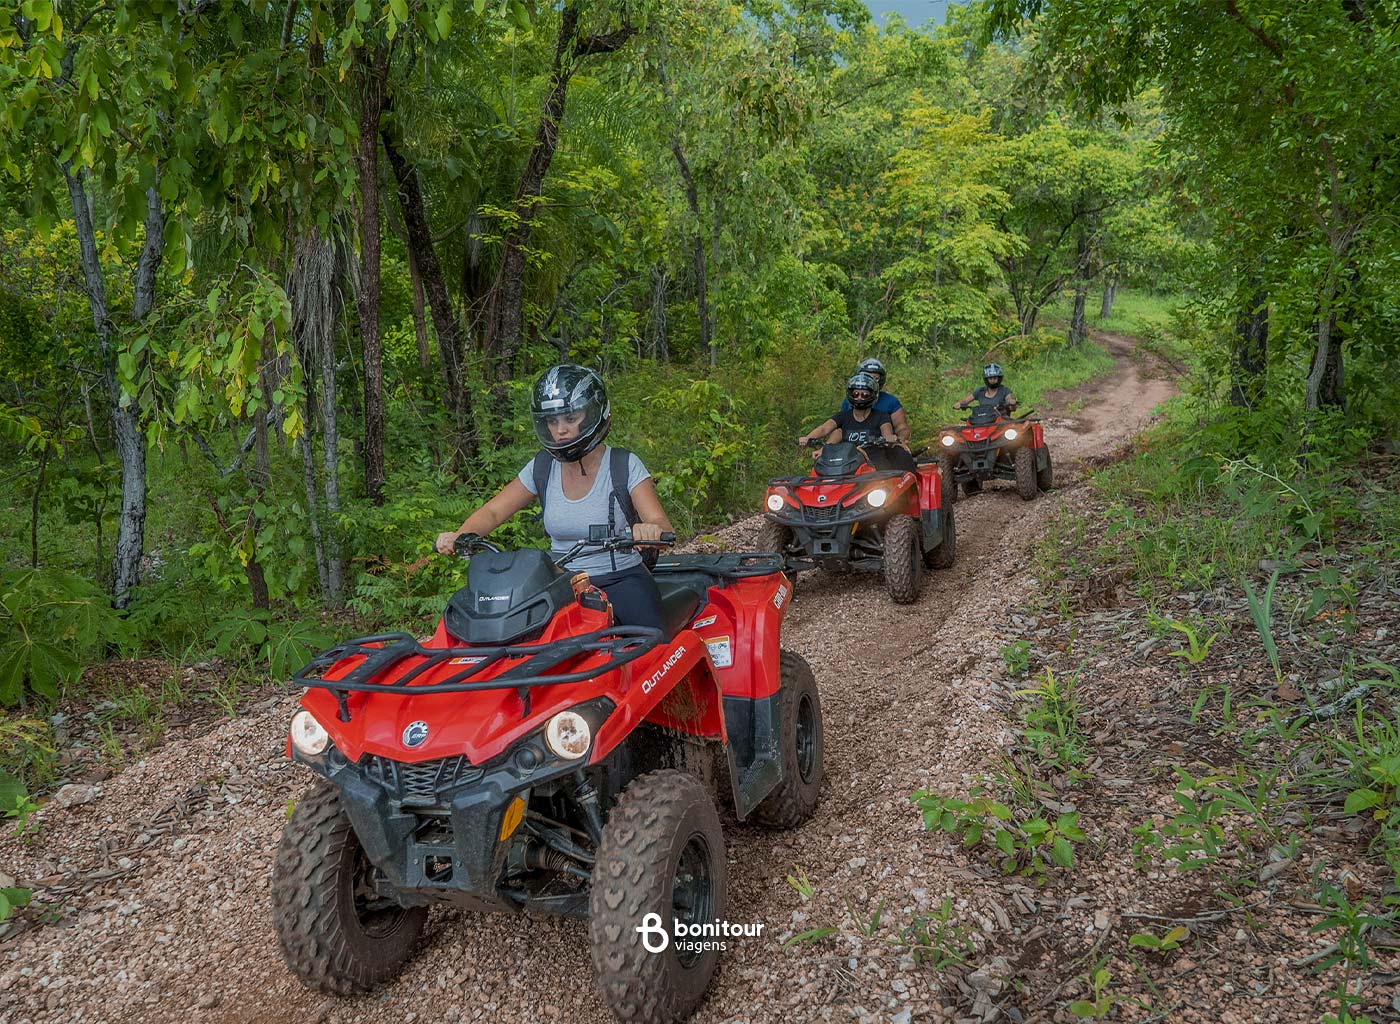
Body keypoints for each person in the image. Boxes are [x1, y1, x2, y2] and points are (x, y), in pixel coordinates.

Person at [434, 365, 673, 630]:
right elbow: (494, 512)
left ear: (594, 412)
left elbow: (659, 521)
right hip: (562, 585)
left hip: (620, 580)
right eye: (552, 421)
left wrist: (650, 529)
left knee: (652, 647)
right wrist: (462, 534)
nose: (560, 430)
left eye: (571, 418)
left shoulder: (623, 464)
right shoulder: (542, 467)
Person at [797, 372, 905, 465]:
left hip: (874, 465)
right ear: (850, 394)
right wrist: (808, 438)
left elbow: (887, 432)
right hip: (846, 464)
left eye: (865, 394)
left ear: (873, 395)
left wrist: (889, 438)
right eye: (856, 394)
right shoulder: (843, 416)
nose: (859, 397)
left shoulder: (881, 416)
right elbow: (824, 428)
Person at [840, 357, 911, 444]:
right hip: (850, 449)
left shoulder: (891, 402)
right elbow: (838, 428)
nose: (870, 380)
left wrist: (900, 442)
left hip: (881, 449)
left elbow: (902, 428)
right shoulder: (849, 401)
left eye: (875, 378)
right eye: (866, 376)